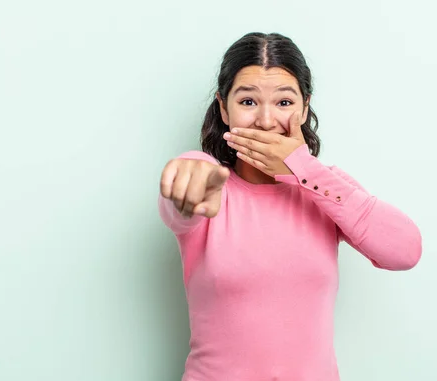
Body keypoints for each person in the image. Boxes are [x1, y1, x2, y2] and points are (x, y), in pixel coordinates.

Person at [158, 32, 422, 381]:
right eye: (248, 102)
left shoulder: (324, 188)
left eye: (283, 103)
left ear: (304, 107)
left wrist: (304, 169)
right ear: (223, 108)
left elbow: (404, 251)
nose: (267, 121)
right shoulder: (210, 185)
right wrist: (190, 174)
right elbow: (184, 194)